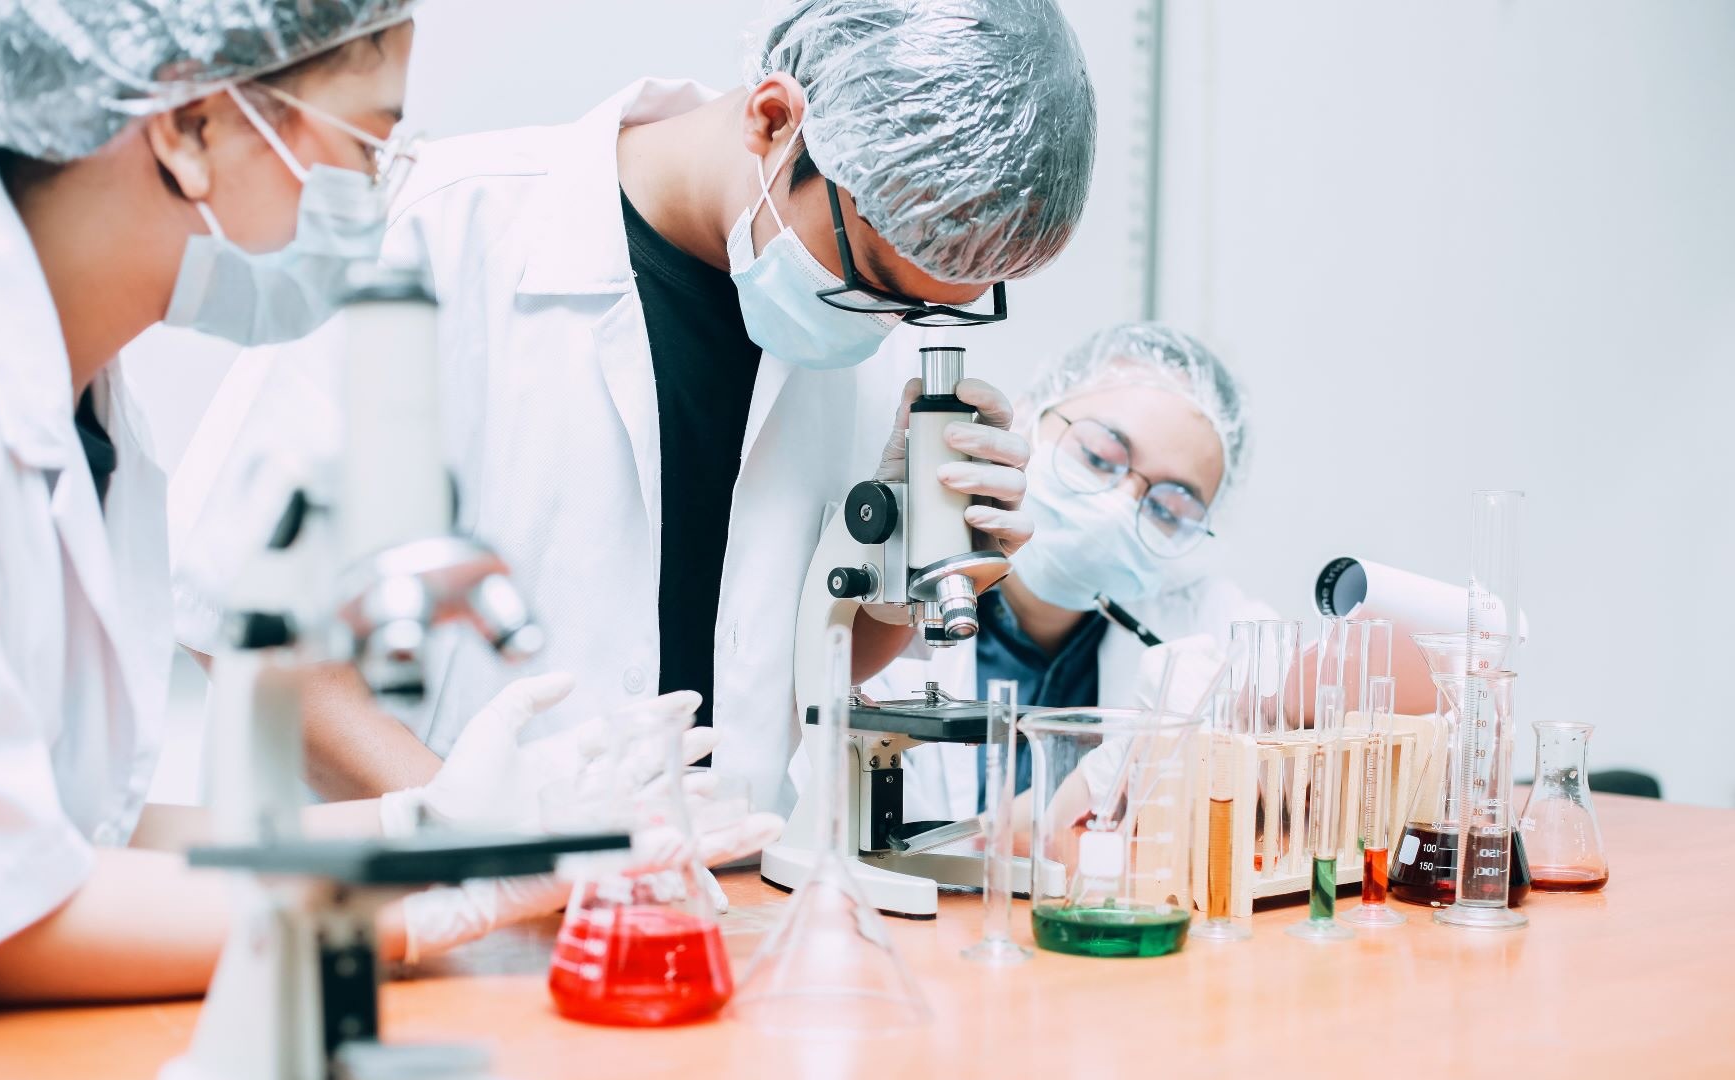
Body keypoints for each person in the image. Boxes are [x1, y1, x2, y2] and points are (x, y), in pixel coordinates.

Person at [169, 0, 1099, 820]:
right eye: (879, 279)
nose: (888, 322)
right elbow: (248, 627)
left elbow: (780, 665)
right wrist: (469, 838)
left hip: (708, 904)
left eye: (928, 305)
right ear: (774, 119)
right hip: (418, 916)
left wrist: (899, 576)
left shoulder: (853, 319)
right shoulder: (442, 230)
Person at [0, 1, 752, 1004]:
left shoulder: (89, 413)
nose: (378, 195)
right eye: (369, 145)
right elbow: (16, 918)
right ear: (189, 126)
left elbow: (76, 838)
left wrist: (435, 829)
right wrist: (431, 898)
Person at [858, 322, 1276, 823]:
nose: (1119, 510)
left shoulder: (1200, 619)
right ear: (1030, 415)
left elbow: (1311, 686)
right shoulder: (903, 590)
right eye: (1098, 457)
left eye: (1168, 509)